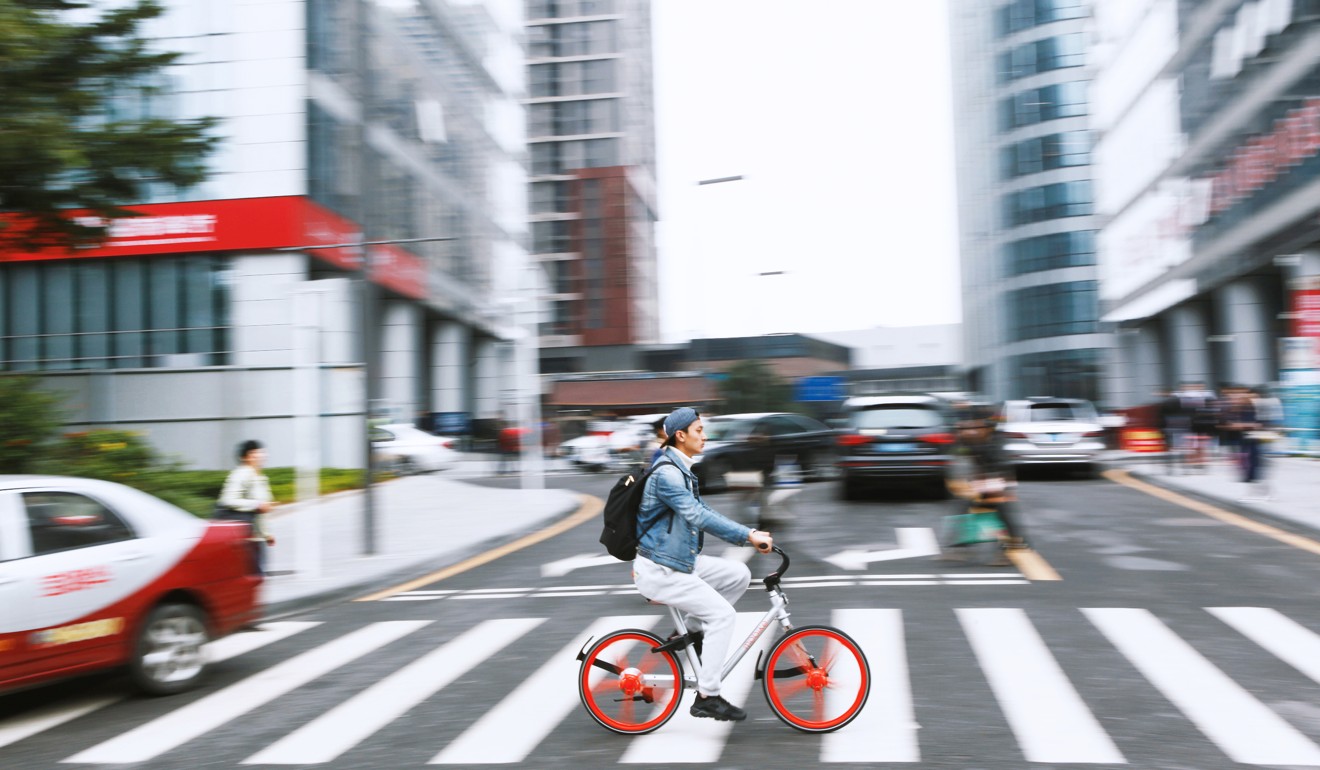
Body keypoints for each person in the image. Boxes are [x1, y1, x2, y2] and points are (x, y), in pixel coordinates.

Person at [634, 406, 774, 723]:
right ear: (680, 435)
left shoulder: (679, 467)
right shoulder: (668, 473)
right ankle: (708, 696)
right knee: (723, 616)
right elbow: (698, 517)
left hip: (678, 561)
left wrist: (746, 533)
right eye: (699, 430)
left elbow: (702, 509)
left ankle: (693, 633)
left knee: (738, 574)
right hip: (661, 569)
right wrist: (748, 535)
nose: (705, 436)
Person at [217, 439, 276, 574]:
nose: (260, 455)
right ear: (245, 457)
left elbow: (261, 512)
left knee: (257, 579)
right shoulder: (241, 474)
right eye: (254, 453)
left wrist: (267, 535)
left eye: (260, 452)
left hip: (256, 538)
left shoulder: (259, 477)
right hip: (245, 540)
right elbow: (228, 500)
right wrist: (257, 504)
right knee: (253, 578)